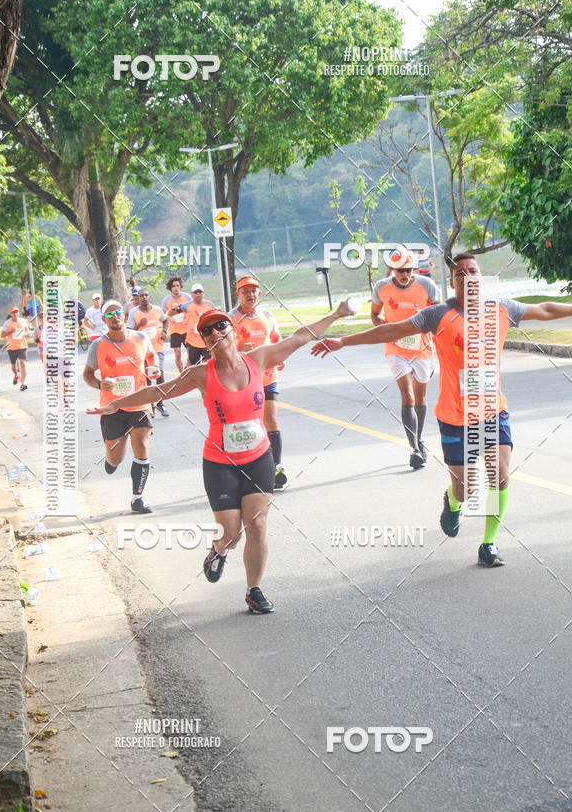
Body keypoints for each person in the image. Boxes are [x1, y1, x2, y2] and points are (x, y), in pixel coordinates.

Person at [88, 299, 354, 613]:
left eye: (220, 325)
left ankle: (253, 590)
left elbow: (300, 337)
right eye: (207, 330)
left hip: (258, 457)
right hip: (220, 462)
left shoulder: (260, 358)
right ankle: (218, 551)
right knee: (230, 534)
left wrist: (336, 314)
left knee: (256, 525)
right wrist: (116, 404)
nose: (215, 331)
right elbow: (160, 391)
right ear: (205, 340)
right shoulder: (201, 373)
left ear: (232, 330)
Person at [313, 251, 572, 567]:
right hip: (453, 415)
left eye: (472, 271)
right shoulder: (437, 315)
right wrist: (343, 342)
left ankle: (488, 543)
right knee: (464, 489)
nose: (467, 276)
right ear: (452, 282)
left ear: (481, 277)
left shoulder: (501, 309)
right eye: (460, 273)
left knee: (500, 476)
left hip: (492, 411)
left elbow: (545, 309)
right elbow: (390, 331)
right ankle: (452, 502)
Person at [83, 299, 159, 513]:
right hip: (112, 407)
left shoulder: (141, 338)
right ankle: (111, 461)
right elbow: (87, 374)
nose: (115, 316)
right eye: (109, 314)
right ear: (104, 320)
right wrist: (100, 384)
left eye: (117, 312)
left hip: (139, 402)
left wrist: (154, 368)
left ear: (124, 315)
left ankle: (137, 499)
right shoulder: (98, 345)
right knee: (116, 458)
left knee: (142, 449)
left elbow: (152, 357)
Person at [370, 251, 440, 469]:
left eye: (409, 270)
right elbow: (375, 314)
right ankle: (414, 449)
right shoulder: (382, 287)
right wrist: (386, 330)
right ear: (393, 269)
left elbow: (439, 314)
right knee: (407, 394)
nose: (405, 275)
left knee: (420, 397)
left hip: (422, 348)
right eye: (400, 271)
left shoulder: (426, 285)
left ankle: (419, 439)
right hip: (396, 348)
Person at [229, 275, 287, 490]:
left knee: (271, 420)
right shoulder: (231, 318)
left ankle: (277, 467)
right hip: (243, 380)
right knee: (249, 425)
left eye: (253, 291)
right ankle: (246, 468)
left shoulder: (268, 316)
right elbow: (219, 348)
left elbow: (277, 339)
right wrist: (237, 351)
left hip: (268, 376)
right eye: (245, 291)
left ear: (259, 293)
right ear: (238, 294)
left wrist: (280, 356)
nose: (250, 294)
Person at [127, 287, 170, 417]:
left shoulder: (157, 310)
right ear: (138, 298)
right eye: (141, 296)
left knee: (160, 375)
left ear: (149, 297)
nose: (144, 297)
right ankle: (150, 406)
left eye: (146, 295)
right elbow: (129, 331)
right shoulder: (134, 312)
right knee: (147, 378)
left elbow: (166, 320)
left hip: (157, 348)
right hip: (142, 350)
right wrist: (139, 325)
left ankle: (161, 404)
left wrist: (164, 331)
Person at [162, 275, 190, 373]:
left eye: (178, 285)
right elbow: (163, 315)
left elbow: (192, 309)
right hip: (174, 330)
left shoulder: (187, 297)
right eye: (174, 286)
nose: (176, 288)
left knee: (190, 353)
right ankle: (181, 374)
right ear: (170, 288)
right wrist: (169, 318)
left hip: (186, 329)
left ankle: (188, 368)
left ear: (180, 286)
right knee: (178, 354)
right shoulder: (166, 300)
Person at [182, 283, 215, 366]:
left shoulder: (209, 305)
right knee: (193, 365)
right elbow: (172, 313)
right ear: (192, 294)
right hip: (192, 341)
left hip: (206, 340)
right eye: (196, 292)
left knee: (208, 363)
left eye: (200, 292)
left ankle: (207, 378)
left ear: (203, 293)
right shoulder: (186, 305)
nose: (198, 294)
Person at [1, 306, 31, 390]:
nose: (15, 314)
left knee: (23, 363)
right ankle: (16, 374)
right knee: (14, 366)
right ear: (11, 314)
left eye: (16, 312)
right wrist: (11, 331)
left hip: (22, 345)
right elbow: (2, 335)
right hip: (11, 347)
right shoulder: (7, 323)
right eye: (13, 312)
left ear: (18, 313)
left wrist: (25, 334)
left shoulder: (23, 321)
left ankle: (23, 383)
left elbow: (28, 333)